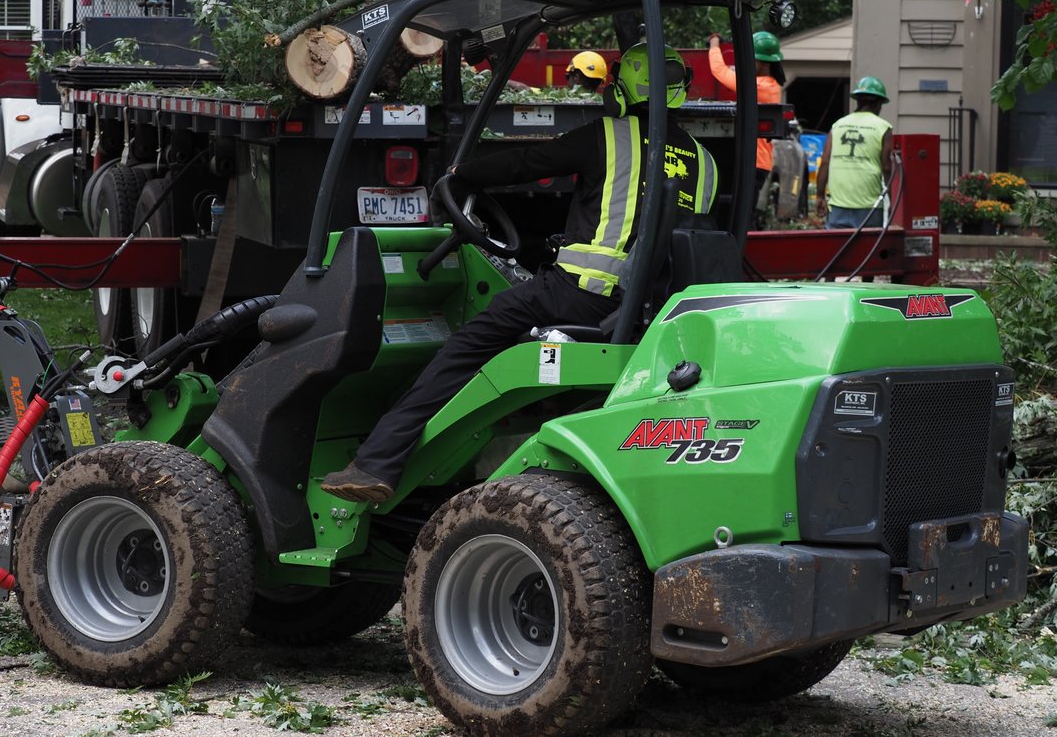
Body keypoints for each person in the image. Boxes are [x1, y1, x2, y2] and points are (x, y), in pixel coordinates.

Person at [321, 43, 719, 503]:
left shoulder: (608, 136)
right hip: (656, 311)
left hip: (581, 295)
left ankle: (377, 462)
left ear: (622, 90)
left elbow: (527, 163)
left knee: (470, 343)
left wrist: (462, 175)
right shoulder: (705, 164)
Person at [707, 31, 784, 223]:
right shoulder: (767, 85)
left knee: (740, 218)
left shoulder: (762, 87)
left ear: (765, 63)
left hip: (754, 162)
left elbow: (720, 72)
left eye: (752, 59)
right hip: (753, 161)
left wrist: (714, 44)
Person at [815, 76, 893, 229]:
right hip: (870, 206)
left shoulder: (837, 126)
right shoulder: (883, 127)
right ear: (879, 103)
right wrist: (892, 198)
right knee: (867, 250)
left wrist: (819, 195)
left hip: (838, 206)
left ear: (858, 100)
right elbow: (886, 167)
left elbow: (825, 162)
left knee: (838, 250)